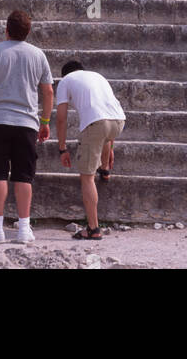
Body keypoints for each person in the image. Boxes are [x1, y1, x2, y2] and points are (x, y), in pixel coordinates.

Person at [0, 10, 54, 245]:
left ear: (6, 29)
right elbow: (48, 91)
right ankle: (24, 229)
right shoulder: (38, 55)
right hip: (27, 123)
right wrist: (45, 122)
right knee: (24, 177)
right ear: (28, 31)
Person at [56, 60, 126, 241]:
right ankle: (105, 169)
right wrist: (110, 145)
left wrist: (62, 148)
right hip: (119, 121)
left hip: (97, 124)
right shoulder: (98, 76)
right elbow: (107, 111)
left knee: (87, 176)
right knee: (103, 135)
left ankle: (93, 228)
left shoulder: (65, 81)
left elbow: (61, 118)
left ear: (65, 74)